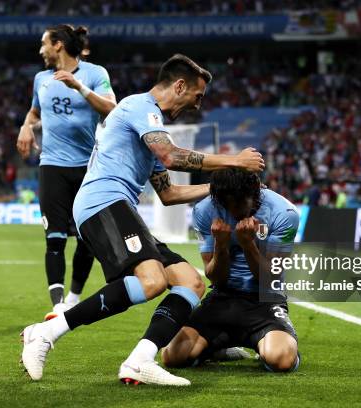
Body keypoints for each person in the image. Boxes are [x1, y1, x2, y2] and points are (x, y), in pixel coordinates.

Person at [20, 54, 265, 385]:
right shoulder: (141, 107)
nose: (197, 106)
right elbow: (172, 156)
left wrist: (224, 187)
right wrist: (233, 161)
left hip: (119, 206)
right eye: (197, 96)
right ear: (179, 85)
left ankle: (139, 361)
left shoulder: (150, 127)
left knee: (189, 281)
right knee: (152, 281)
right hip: (101, 202)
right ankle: (46, 332)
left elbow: (169, 195)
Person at [16, 24, 117, 320]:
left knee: (86, 240)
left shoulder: (95, 74)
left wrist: (79, 87)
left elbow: (112, 108)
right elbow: (35, 113)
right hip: (51, 166)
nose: (40, 50)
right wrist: (26, 127)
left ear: (58, 44)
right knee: (55, 238)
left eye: (44, 44)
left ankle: (74, 296)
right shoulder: (41, 80)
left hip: (87, 168)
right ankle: (58, 304)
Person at [161, 169, 301, 373]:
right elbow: (215, 277)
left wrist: (248, 245)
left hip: (264, 301)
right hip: (222, 297)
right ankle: (218, 349)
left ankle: (274, 343)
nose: (231, 211)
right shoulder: (205, 209)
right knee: (172, 356)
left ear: (254, 194)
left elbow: (270, 278)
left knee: (280, 360)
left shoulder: (285, 213)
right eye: (225, 204)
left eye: (237, 204)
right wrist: (220, 245)